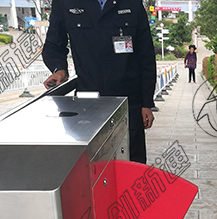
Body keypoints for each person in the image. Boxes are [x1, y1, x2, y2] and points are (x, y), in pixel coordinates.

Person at [42, 0, 157, 164]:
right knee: (92, 164)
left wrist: (146, 103)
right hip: (88, 103)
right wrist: (59, 69)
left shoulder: (132, 3)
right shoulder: (65, 3)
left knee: (131, 163)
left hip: (129, 102)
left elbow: (146, 56)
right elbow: (53, 45)